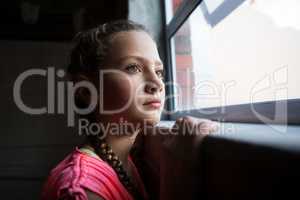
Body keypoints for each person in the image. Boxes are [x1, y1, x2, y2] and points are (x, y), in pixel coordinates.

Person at [41, 20, 218, 200]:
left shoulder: (126, 160)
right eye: (133, 68)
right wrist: (180, 171)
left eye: (159, 72)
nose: (157, 84)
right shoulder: (82, 191)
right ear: (87, 91)